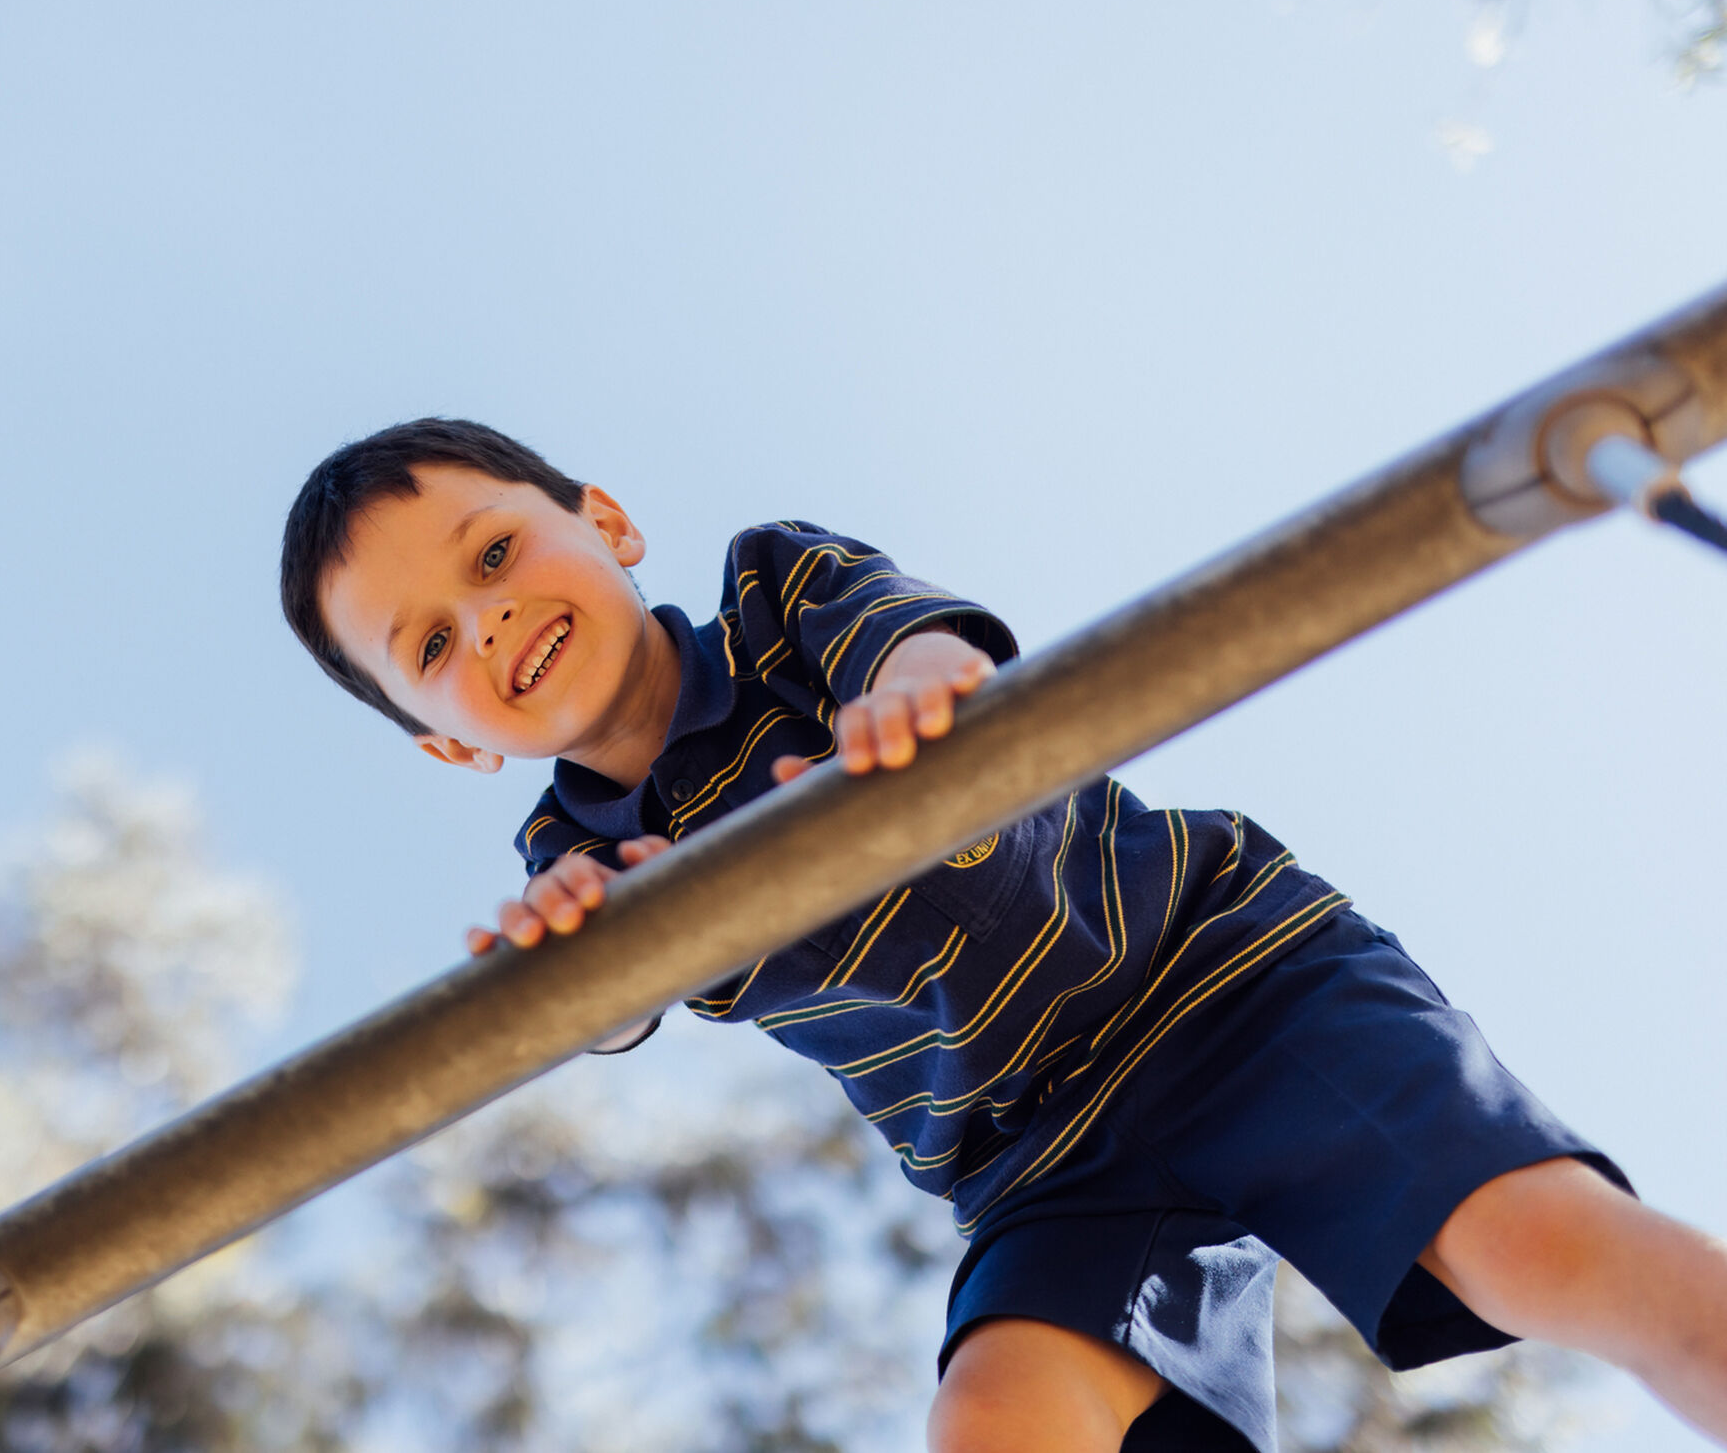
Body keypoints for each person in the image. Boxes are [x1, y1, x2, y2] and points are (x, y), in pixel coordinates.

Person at [278, 417, 1727, 1452]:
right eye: (430, 650)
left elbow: (925, 643)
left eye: (493, 554)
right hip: (1036, 1166)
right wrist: (577, 958)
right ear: (450, 748)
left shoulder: (772, 597)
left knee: (1538, 1247)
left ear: (604, 524)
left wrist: (913, 692)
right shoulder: (580, 861)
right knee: (996, 1420)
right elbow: (600, 1003)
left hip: (1221, 982)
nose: (490, 622)